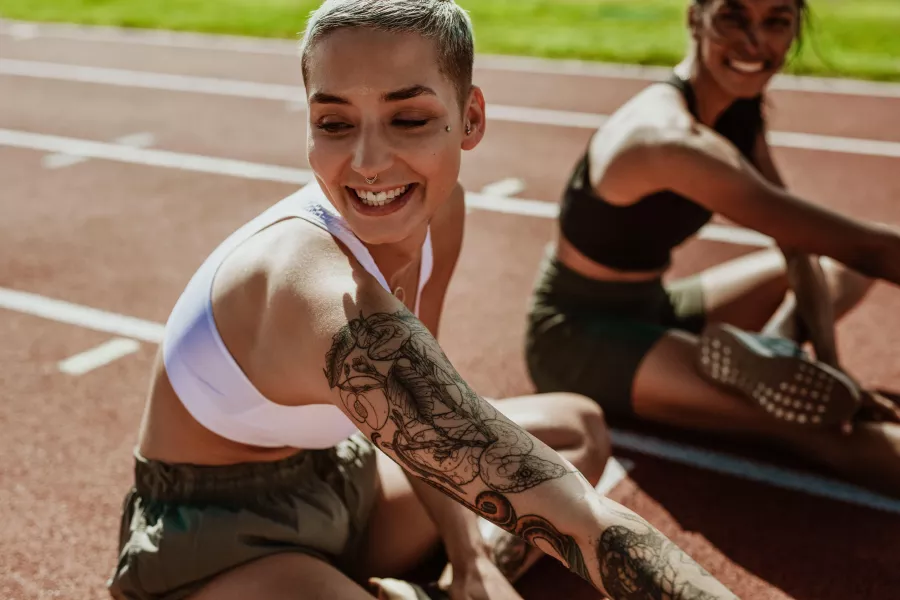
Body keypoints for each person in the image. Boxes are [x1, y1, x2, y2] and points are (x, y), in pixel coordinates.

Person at [106, 1, 740, 599]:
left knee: (577, 429)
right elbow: (575, 517)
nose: (369, 161)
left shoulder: (441, 213)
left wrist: (472, 560)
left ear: (470, 119)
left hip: (342, 471)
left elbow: (428, 415)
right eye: (334, 123)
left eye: (407, 118)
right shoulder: (315, 293)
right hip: (224, 531)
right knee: (553, 502)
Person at [526, 0, 900, 497]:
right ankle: (774, 371)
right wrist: (836, 393)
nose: (754, 42)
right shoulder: (668, 139)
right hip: (578, 338)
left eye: (776, 22)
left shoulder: (738, 108)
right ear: (694, 18)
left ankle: (776, 346)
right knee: (821, 430)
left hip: (656, 306)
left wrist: (829, 365)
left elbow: (800, 246)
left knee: (837, 270)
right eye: (733, 17)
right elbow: (865, 248)